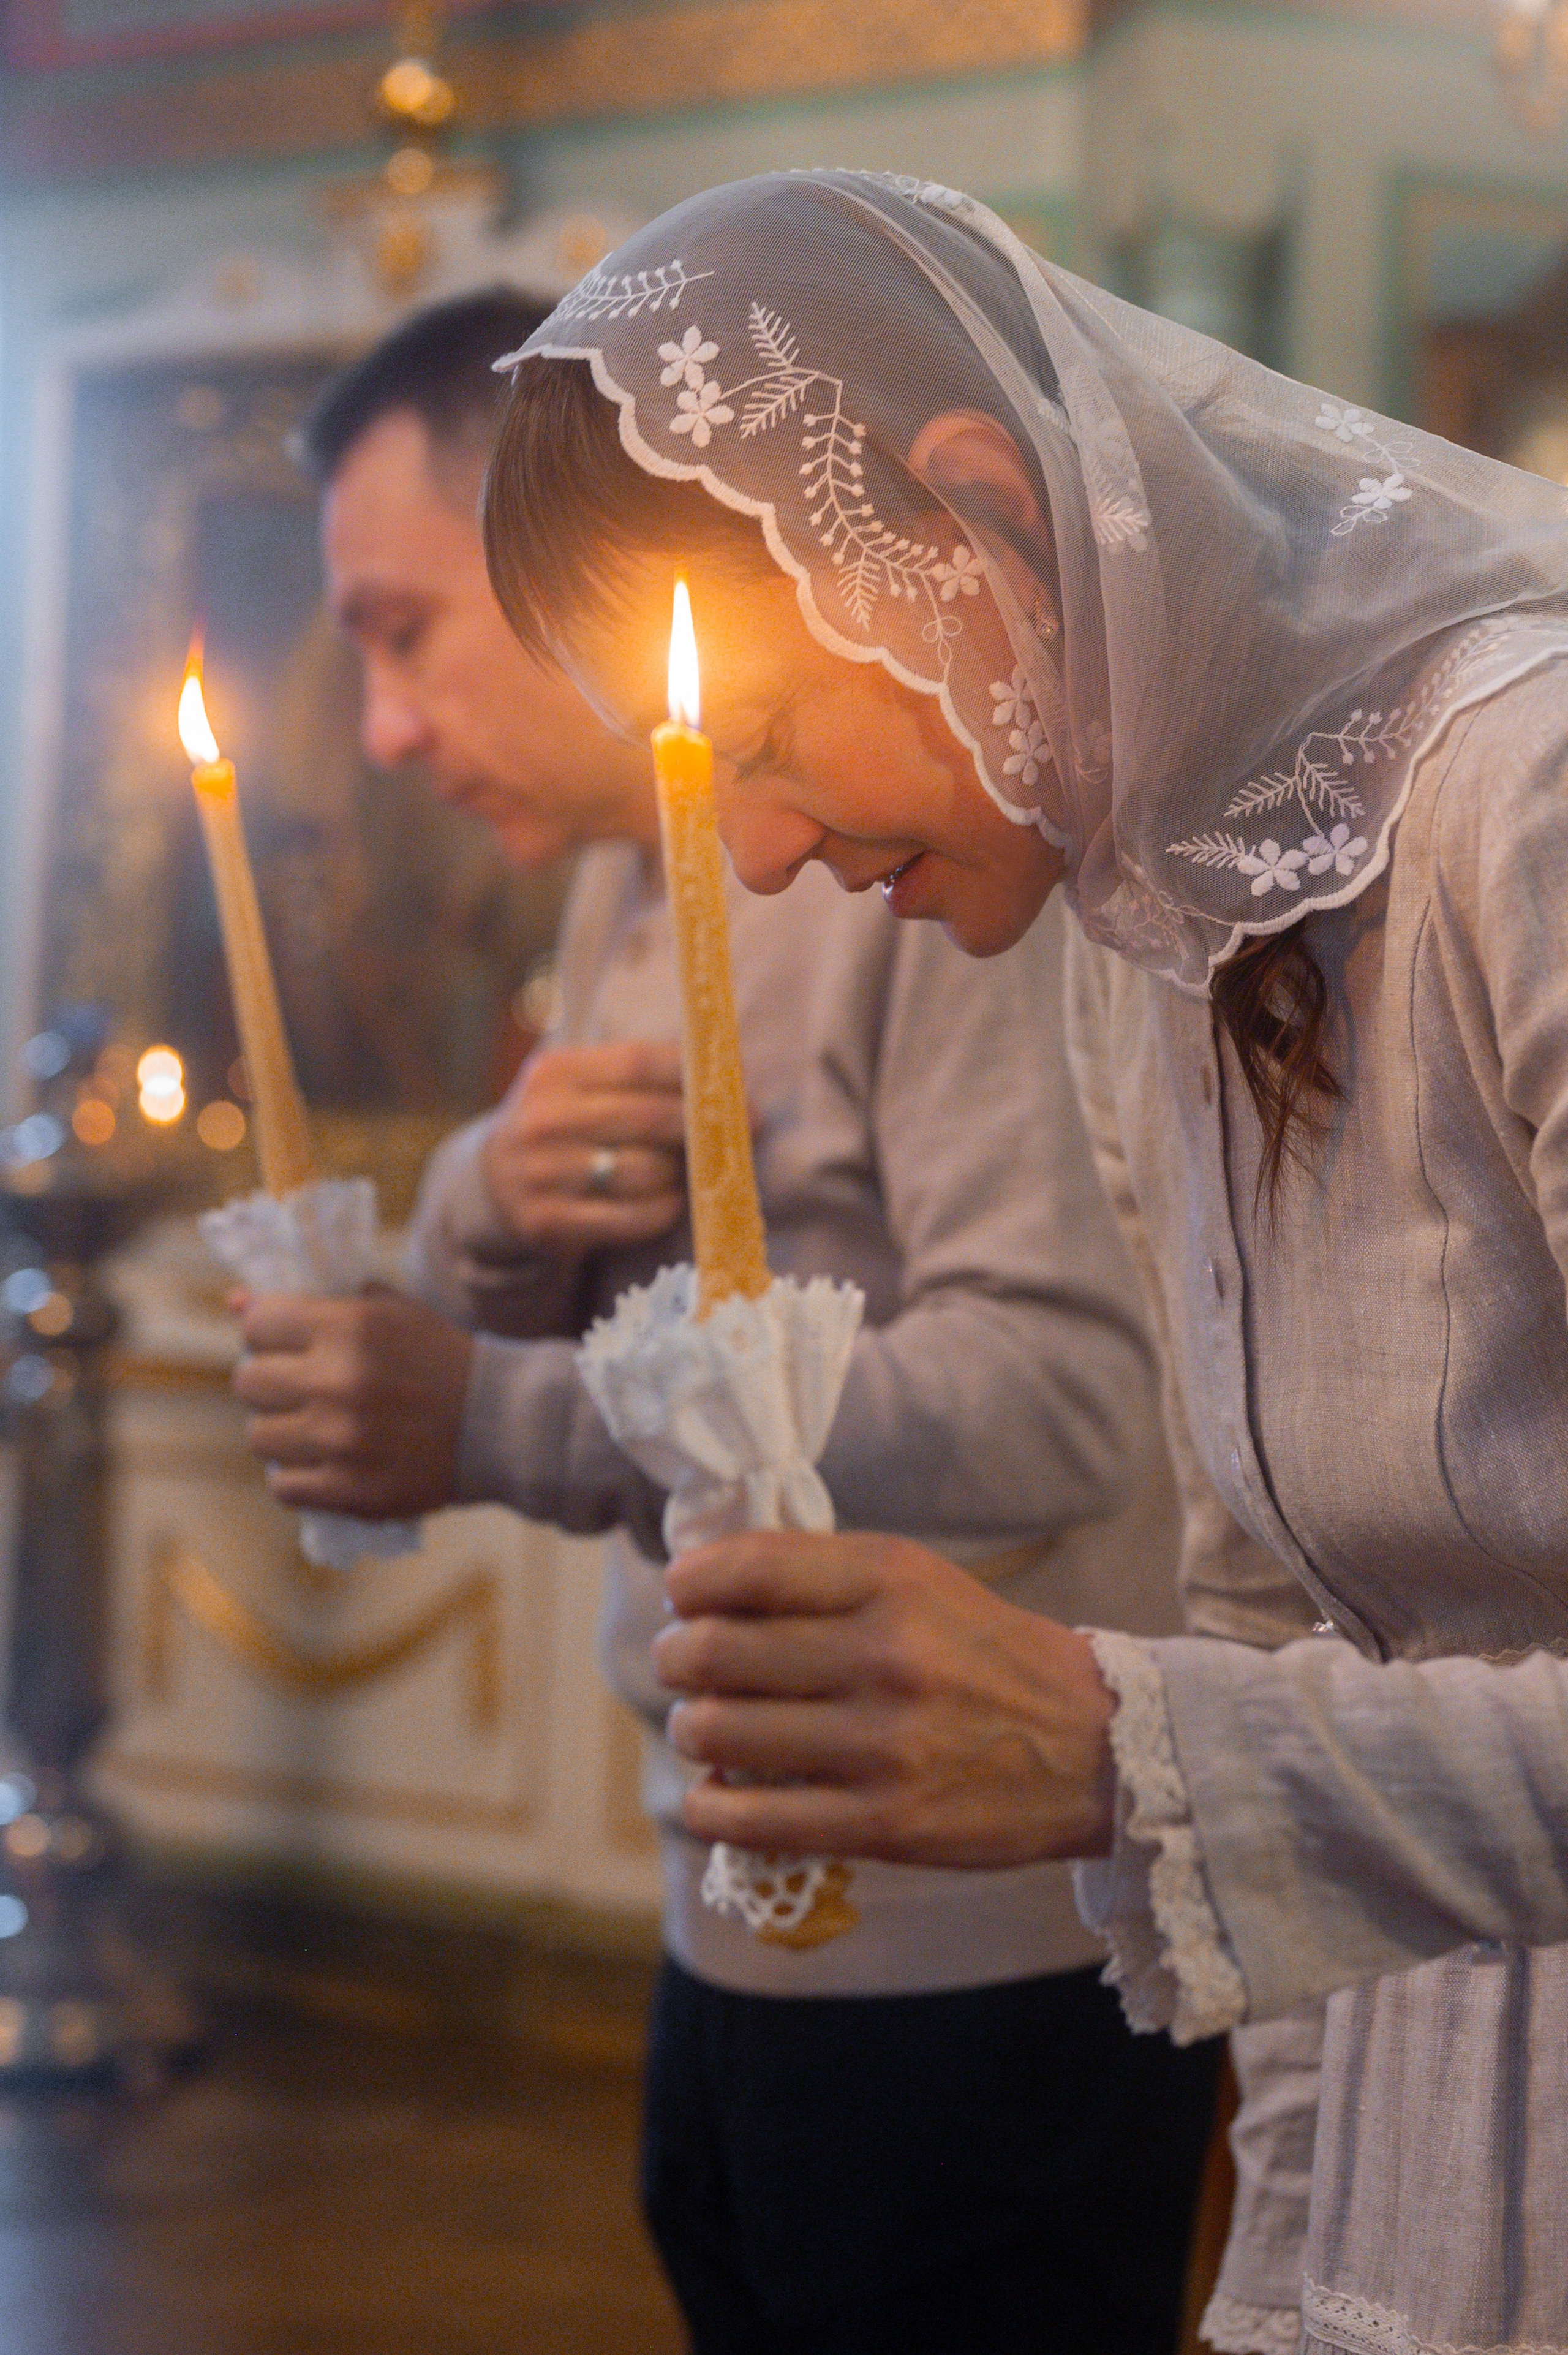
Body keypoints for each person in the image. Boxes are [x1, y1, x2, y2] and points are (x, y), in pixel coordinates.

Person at [482, 170, 1568, 2355]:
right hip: (1418, 2156)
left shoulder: (1522, 805)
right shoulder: (1141, 942)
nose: (761, 854)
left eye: (765, 740)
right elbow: (1290, 1672)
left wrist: (1114, 1741)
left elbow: (1233, 1730)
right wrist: (1279, 2287)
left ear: (970, 523)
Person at [232, 289, 1231, 2355]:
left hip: (973, 1951)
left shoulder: (910, 862)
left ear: (549, 563)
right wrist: (472, 1214)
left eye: (401, 629)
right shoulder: (634, 868)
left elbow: (1066, 1395)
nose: (393, 732)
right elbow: (653, 1299)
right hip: (729, 1906)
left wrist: (501, 1415)